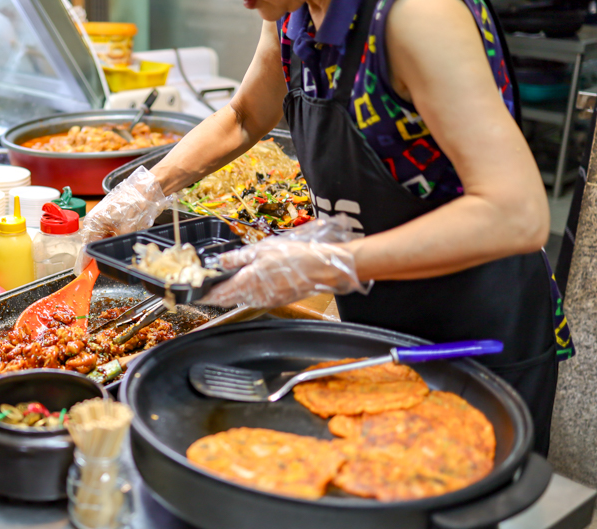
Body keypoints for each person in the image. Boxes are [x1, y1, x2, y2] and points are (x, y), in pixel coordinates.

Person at [80, 0, 571, 456]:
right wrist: (146, 190)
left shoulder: (417, 16)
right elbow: (246, 114)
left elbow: (517, 214)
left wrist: (333, 260)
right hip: (378, 321)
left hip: (475, 330)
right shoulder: (295, 16)